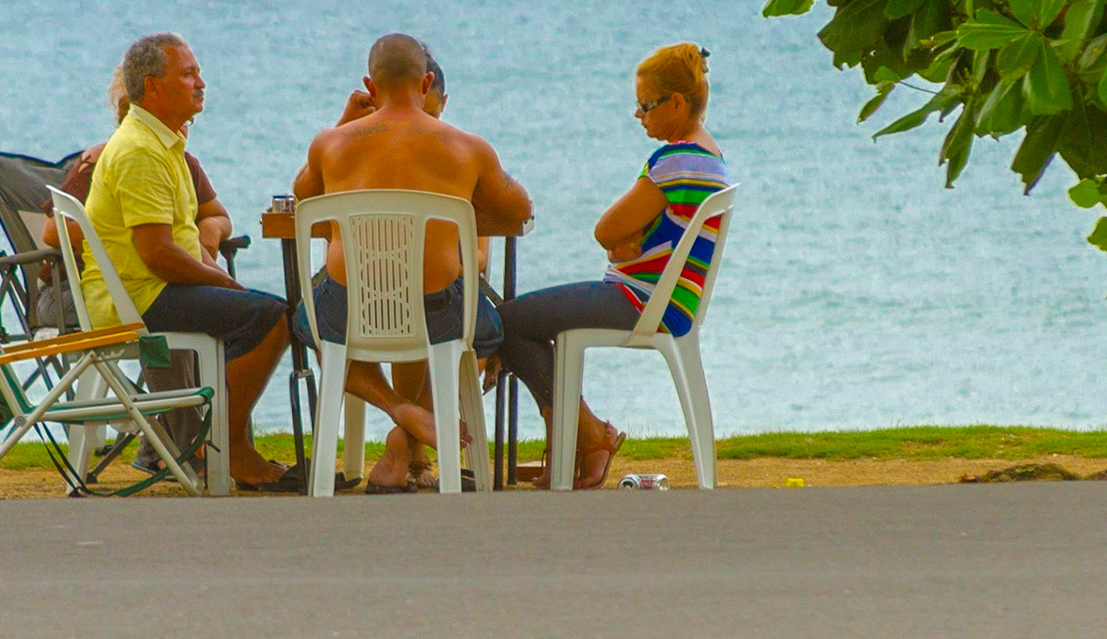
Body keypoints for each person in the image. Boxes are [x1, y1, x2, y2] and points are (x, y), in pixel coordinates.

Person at [292, 33, 533, 491]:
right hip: (437, 312)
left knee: (312, 324)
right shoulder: (467, 146)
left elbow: (303, 195)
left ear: (369, 84)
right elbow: (519, 210)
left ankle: (399, 412)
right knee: (484, 331)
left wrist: (342, 124)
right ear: (426, 83)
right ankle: (407, 424)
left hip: (348, 312)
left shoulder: (330, 144)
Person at [497, 42, 729, 489]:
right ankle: (584, 436)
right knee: (515, 321)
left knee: (504, 323)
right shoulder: (710, 156)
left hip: (639, 300)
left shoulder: (677, 160)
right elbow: (631, 234)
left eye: (645, 106)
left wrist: (618, 242)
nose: (638, 115)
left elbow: (605, 230)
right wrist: (625, 241)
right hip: (665, 299)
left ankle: (587, 437)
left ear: (677, 103)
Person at [76, 32, 294, 490]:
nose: (201, 83)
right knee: (270, 317)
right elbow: (157, 255)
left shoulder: (162, 142)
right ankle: (226, 448)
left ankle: (213, 440)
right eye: (189, 73)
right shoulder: (139, 150)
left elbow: (185, 238)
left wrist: (219, 278)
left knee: (262, 314)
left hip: (146, 290)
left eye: (198, 72)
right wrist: (228, 286)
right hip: (137, 299)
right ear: (153, 87)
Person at [38, 66, 233, 474]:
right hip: (75, 292)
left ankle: (168, 439)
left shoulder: (179, 160)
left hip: (142, 286)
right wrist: (122, 234)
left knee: (196, 310)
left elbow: (218, 216)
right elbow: (53, 232)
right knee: (166, 325)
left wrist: (203, 237)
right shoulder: (105, 157)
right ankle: (178, 444)